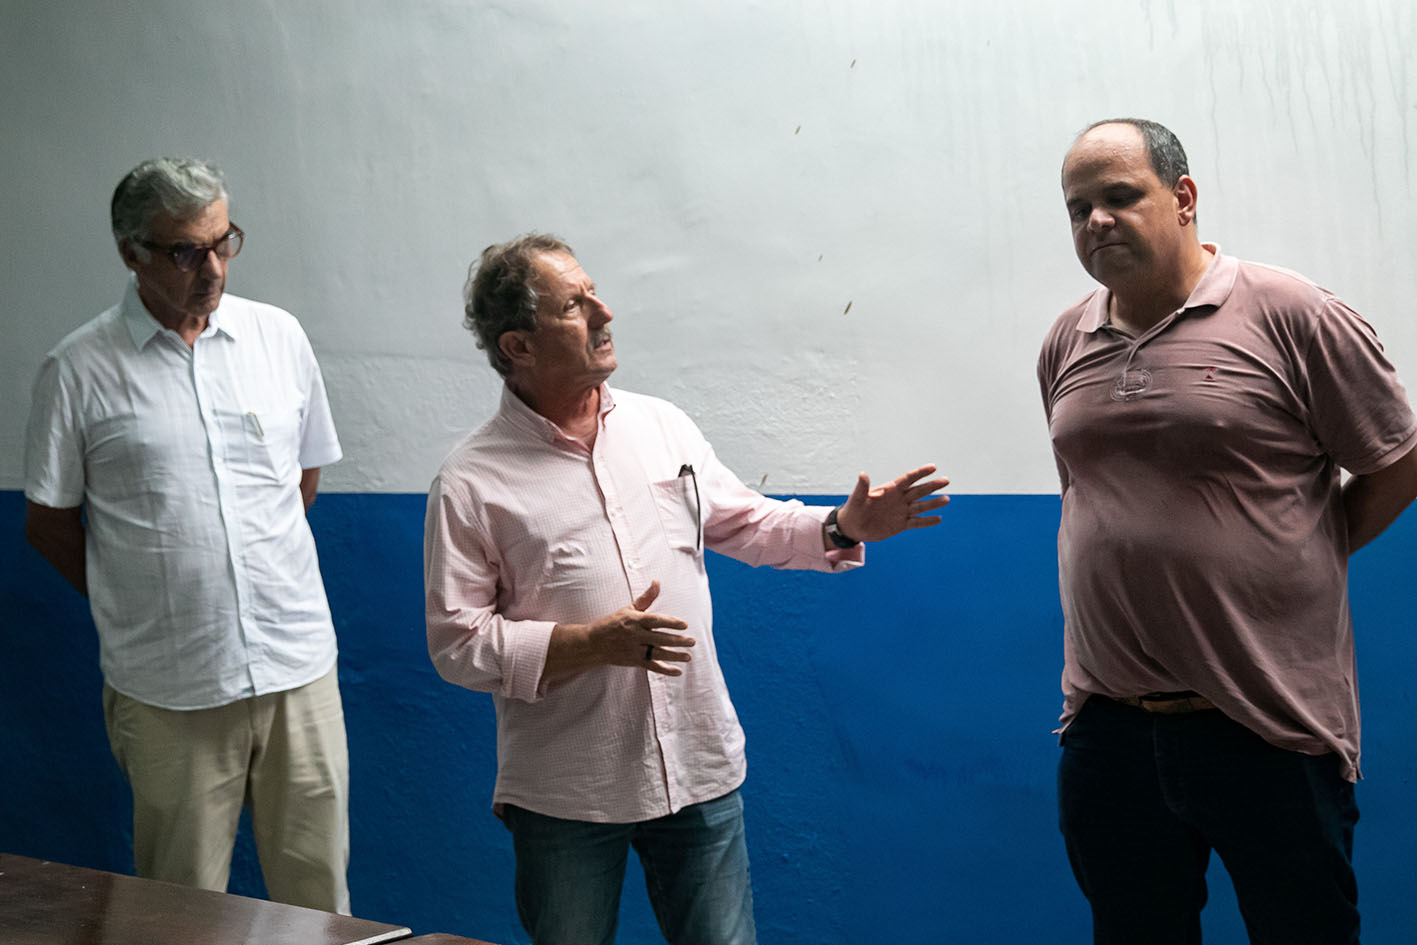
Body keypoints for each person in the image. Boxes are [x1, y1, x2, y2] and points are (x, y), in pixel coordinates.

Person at [424, 233, 949, 945]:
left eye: (594, 293)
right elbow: (457, 643)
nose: (604, 312)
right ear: (517, 345)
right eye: (575, 305)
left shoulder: (661, 425)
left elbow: (746, 523)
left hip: (697, 765)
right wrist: (589, 644)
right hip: (566, 792)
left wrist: (840, 525)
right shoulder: (470, 480)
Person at [1038, 118, 1417, 944]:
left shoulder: (1291, 313)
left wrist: (1313, 548)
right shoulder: (1066, 339)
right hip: (1109, 724)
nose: (1095, 220)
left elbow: (1397, 459)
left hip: (1266, 720)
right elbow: (1090, 495)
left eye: (1118, 196)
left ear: (1182, 198)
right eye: (1076, 207)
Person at [23, 157, 350, 913]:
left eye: (223, 241)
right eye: (185, 251)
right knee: (179, 909)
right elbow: (49, 523)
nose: (213, 268)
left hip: (297, 666)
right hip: (169, 688)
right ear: (130, 252)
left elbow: (300, 482)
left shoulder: (278, 337)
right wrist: (141, 594)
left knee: (321, 899)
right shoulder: (77, 369)